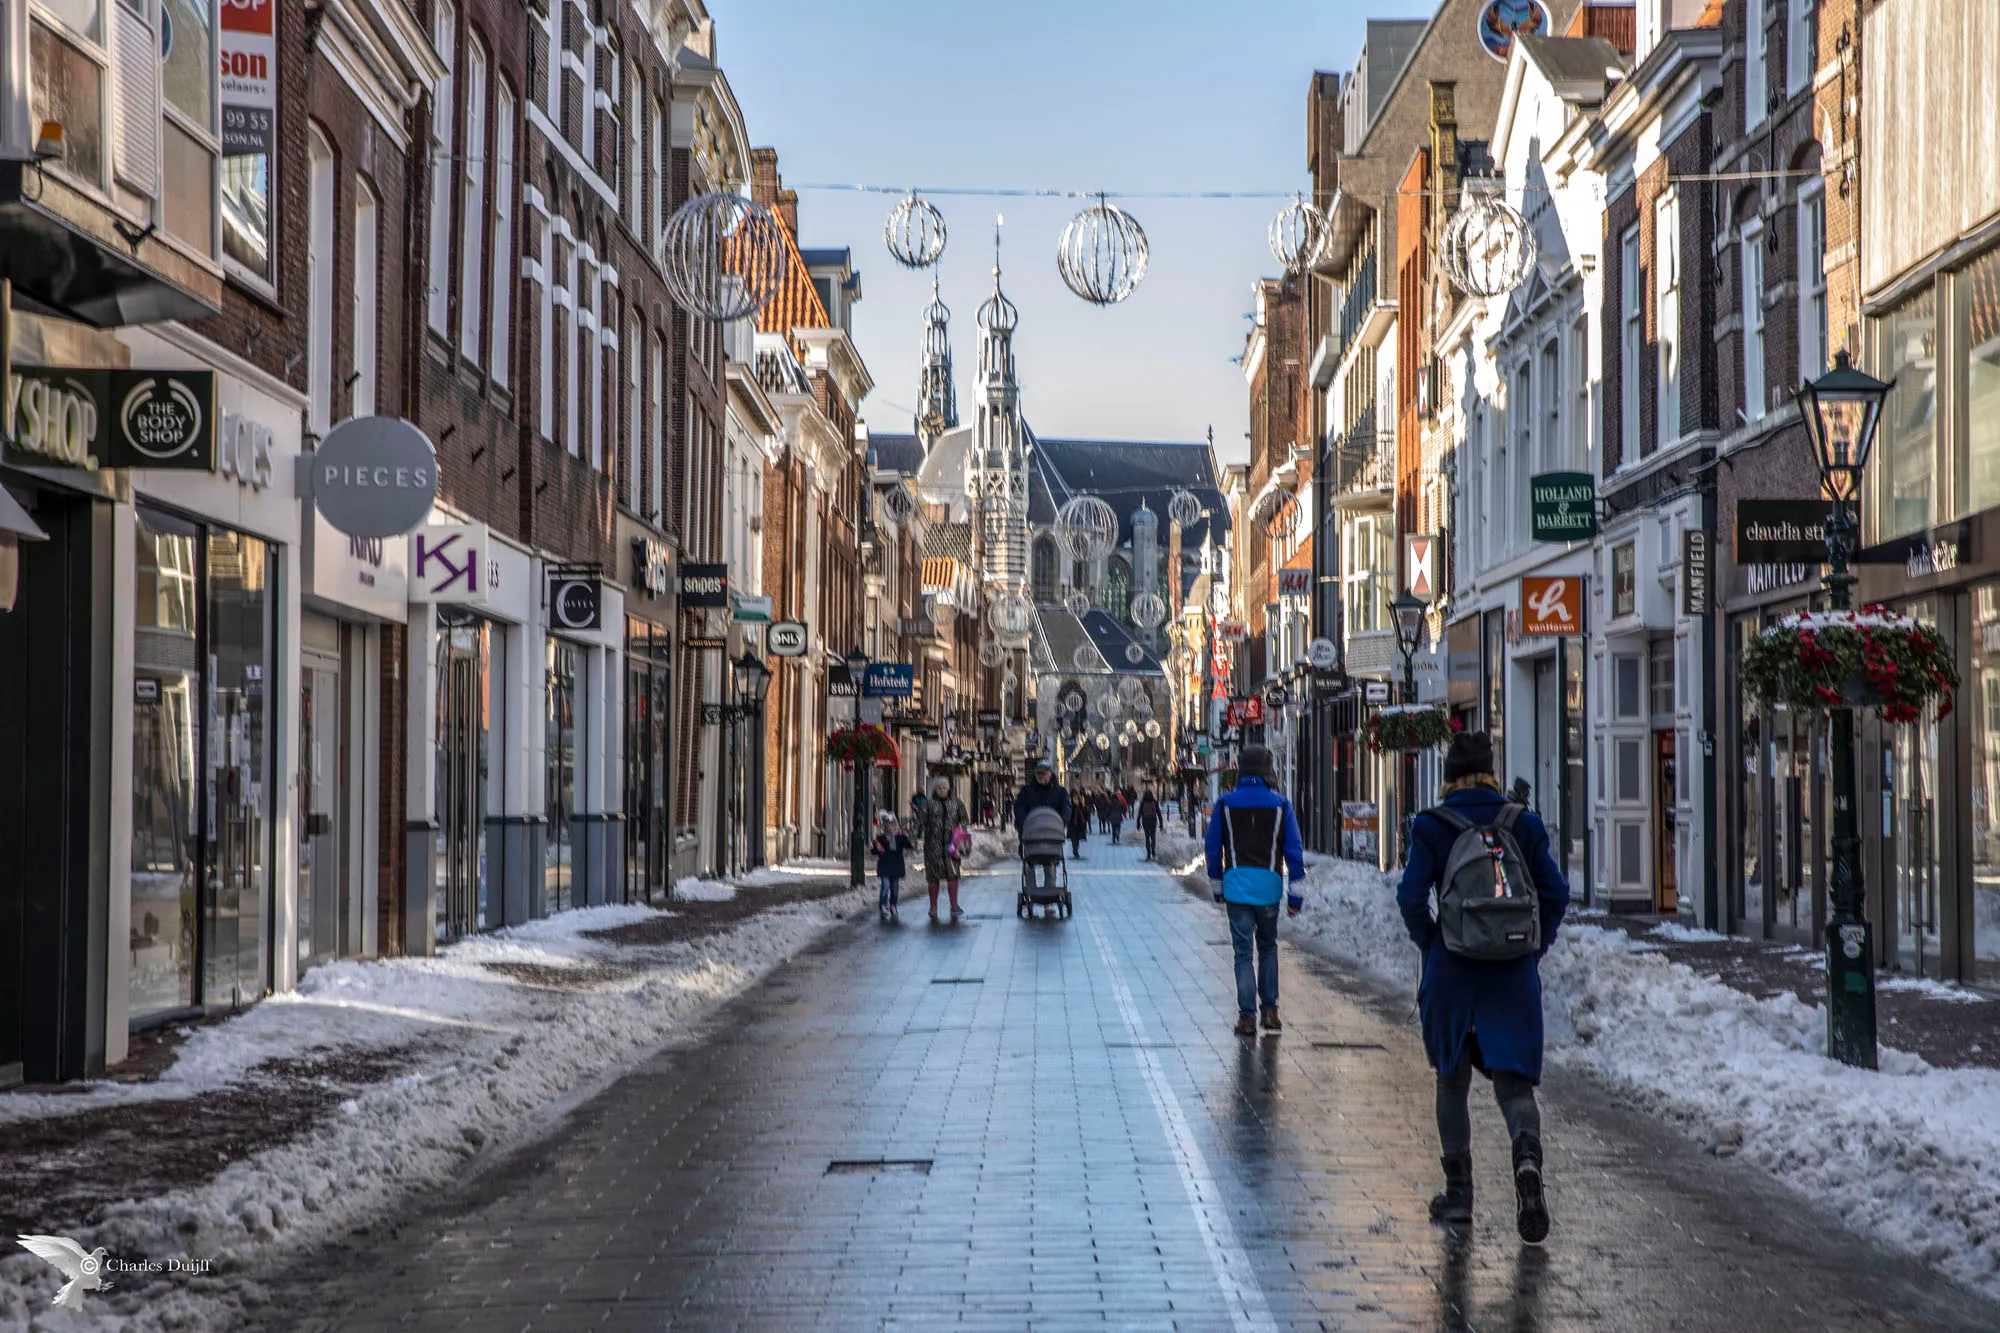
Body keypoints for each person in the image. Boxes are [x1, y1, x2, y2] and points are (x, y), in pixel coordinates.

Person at [1397, 731, 1569, 1244]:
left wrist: (1435, 944)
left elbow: (1410, 898)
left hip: (1453, 972)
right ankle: (1526, 1159)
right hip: (1511, 971)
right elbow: (1555, 894)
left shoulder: (1431, 825)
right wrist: (1531, 948)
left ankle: (1459, 1198)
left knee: (1451, 1081)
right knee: (1514, 1085)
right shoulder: (1524, 822)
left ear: (1449, 774)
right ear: (1492, 770)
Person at [1204, 744, 1306, 1037]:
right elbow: (1294, 851)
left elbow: (1213, 849)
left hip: (1236, 887)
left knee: (1243, 953)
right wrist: (1295, 893)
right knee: (1268, 946)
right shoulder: (1281, 805)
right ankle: (1270, 1010)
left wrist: (1218, 885)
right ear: (1267, 771)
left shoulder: (1224, 804)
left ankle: (1247, 1016)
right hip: (1268, 888)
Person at [1012, 760, 1073, 895]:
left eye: (1043, 774)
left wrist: (1061, 821)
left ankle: (1049, 893)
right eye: (1038, 774)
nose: (1041, 776)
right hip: (1031, 835)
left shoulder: (1060, 792)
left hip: (1052, 835)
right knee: (1029, 866)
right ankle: (1031, 892)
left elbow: (1066, 808)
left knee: (1050, 865)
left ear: (1050, 774)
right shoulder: (1027, 791)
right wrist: (1024, 822)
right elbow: (1019, 807)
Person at [916, 776, 970, 920]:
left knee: (953, 874)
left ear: (948, 789)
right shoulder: (928, 804)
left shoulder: (956, 803)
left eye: (944, 787)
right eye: (939, 787)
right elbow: (920, 821)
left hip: (952, 845)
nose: (941, 790)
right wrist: (914, 836)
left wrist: (960, 828)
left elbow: (964, 818)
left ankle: (954, 905)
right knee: (933, 876)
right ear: (935, 789)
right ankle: (933, 906)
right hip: (933, 845)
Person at [871, 816, 912, 920]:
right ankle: (883, 905)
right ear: (886, 827)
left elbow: (908, 845)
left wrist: (911, 841)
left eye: (895, 825)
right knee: (885, 885)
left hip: (896, 867)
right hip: (885, 867)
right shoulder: (882, 838)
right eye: (890, 826)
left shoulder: (900, 838)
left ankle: (893, 904)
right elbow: (875, 851)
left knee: (894, 888)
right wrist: (876, 847)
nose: (893, 828)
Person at [1137, 787, 1162, 860]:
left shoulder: (1143, 803)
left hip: (1145, 821)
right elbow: (1159, 813)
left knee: (1147, 837)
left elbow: (1139, 814)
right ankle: (1153, 851)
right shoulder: (1155, 802)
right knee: (1153, 836)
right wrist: (1161, 823)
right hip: (1153, 820)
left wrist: (1138, 824)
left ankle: (1148, 854)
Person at [1067, 792, 1090, 858]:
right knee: (1073, 839)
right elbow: (1068, 816)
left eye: (1077, 800)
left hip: (1079, 826)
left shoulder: (1082, 808)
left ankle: (1076, 849)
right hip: (1072, 826)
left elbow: (1085, 815)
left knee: (1077, 839)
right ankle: (1075, 850)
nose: (1075, 801)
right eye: (1074, 800)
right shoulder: (1070, 807)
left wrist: (1085, 821)